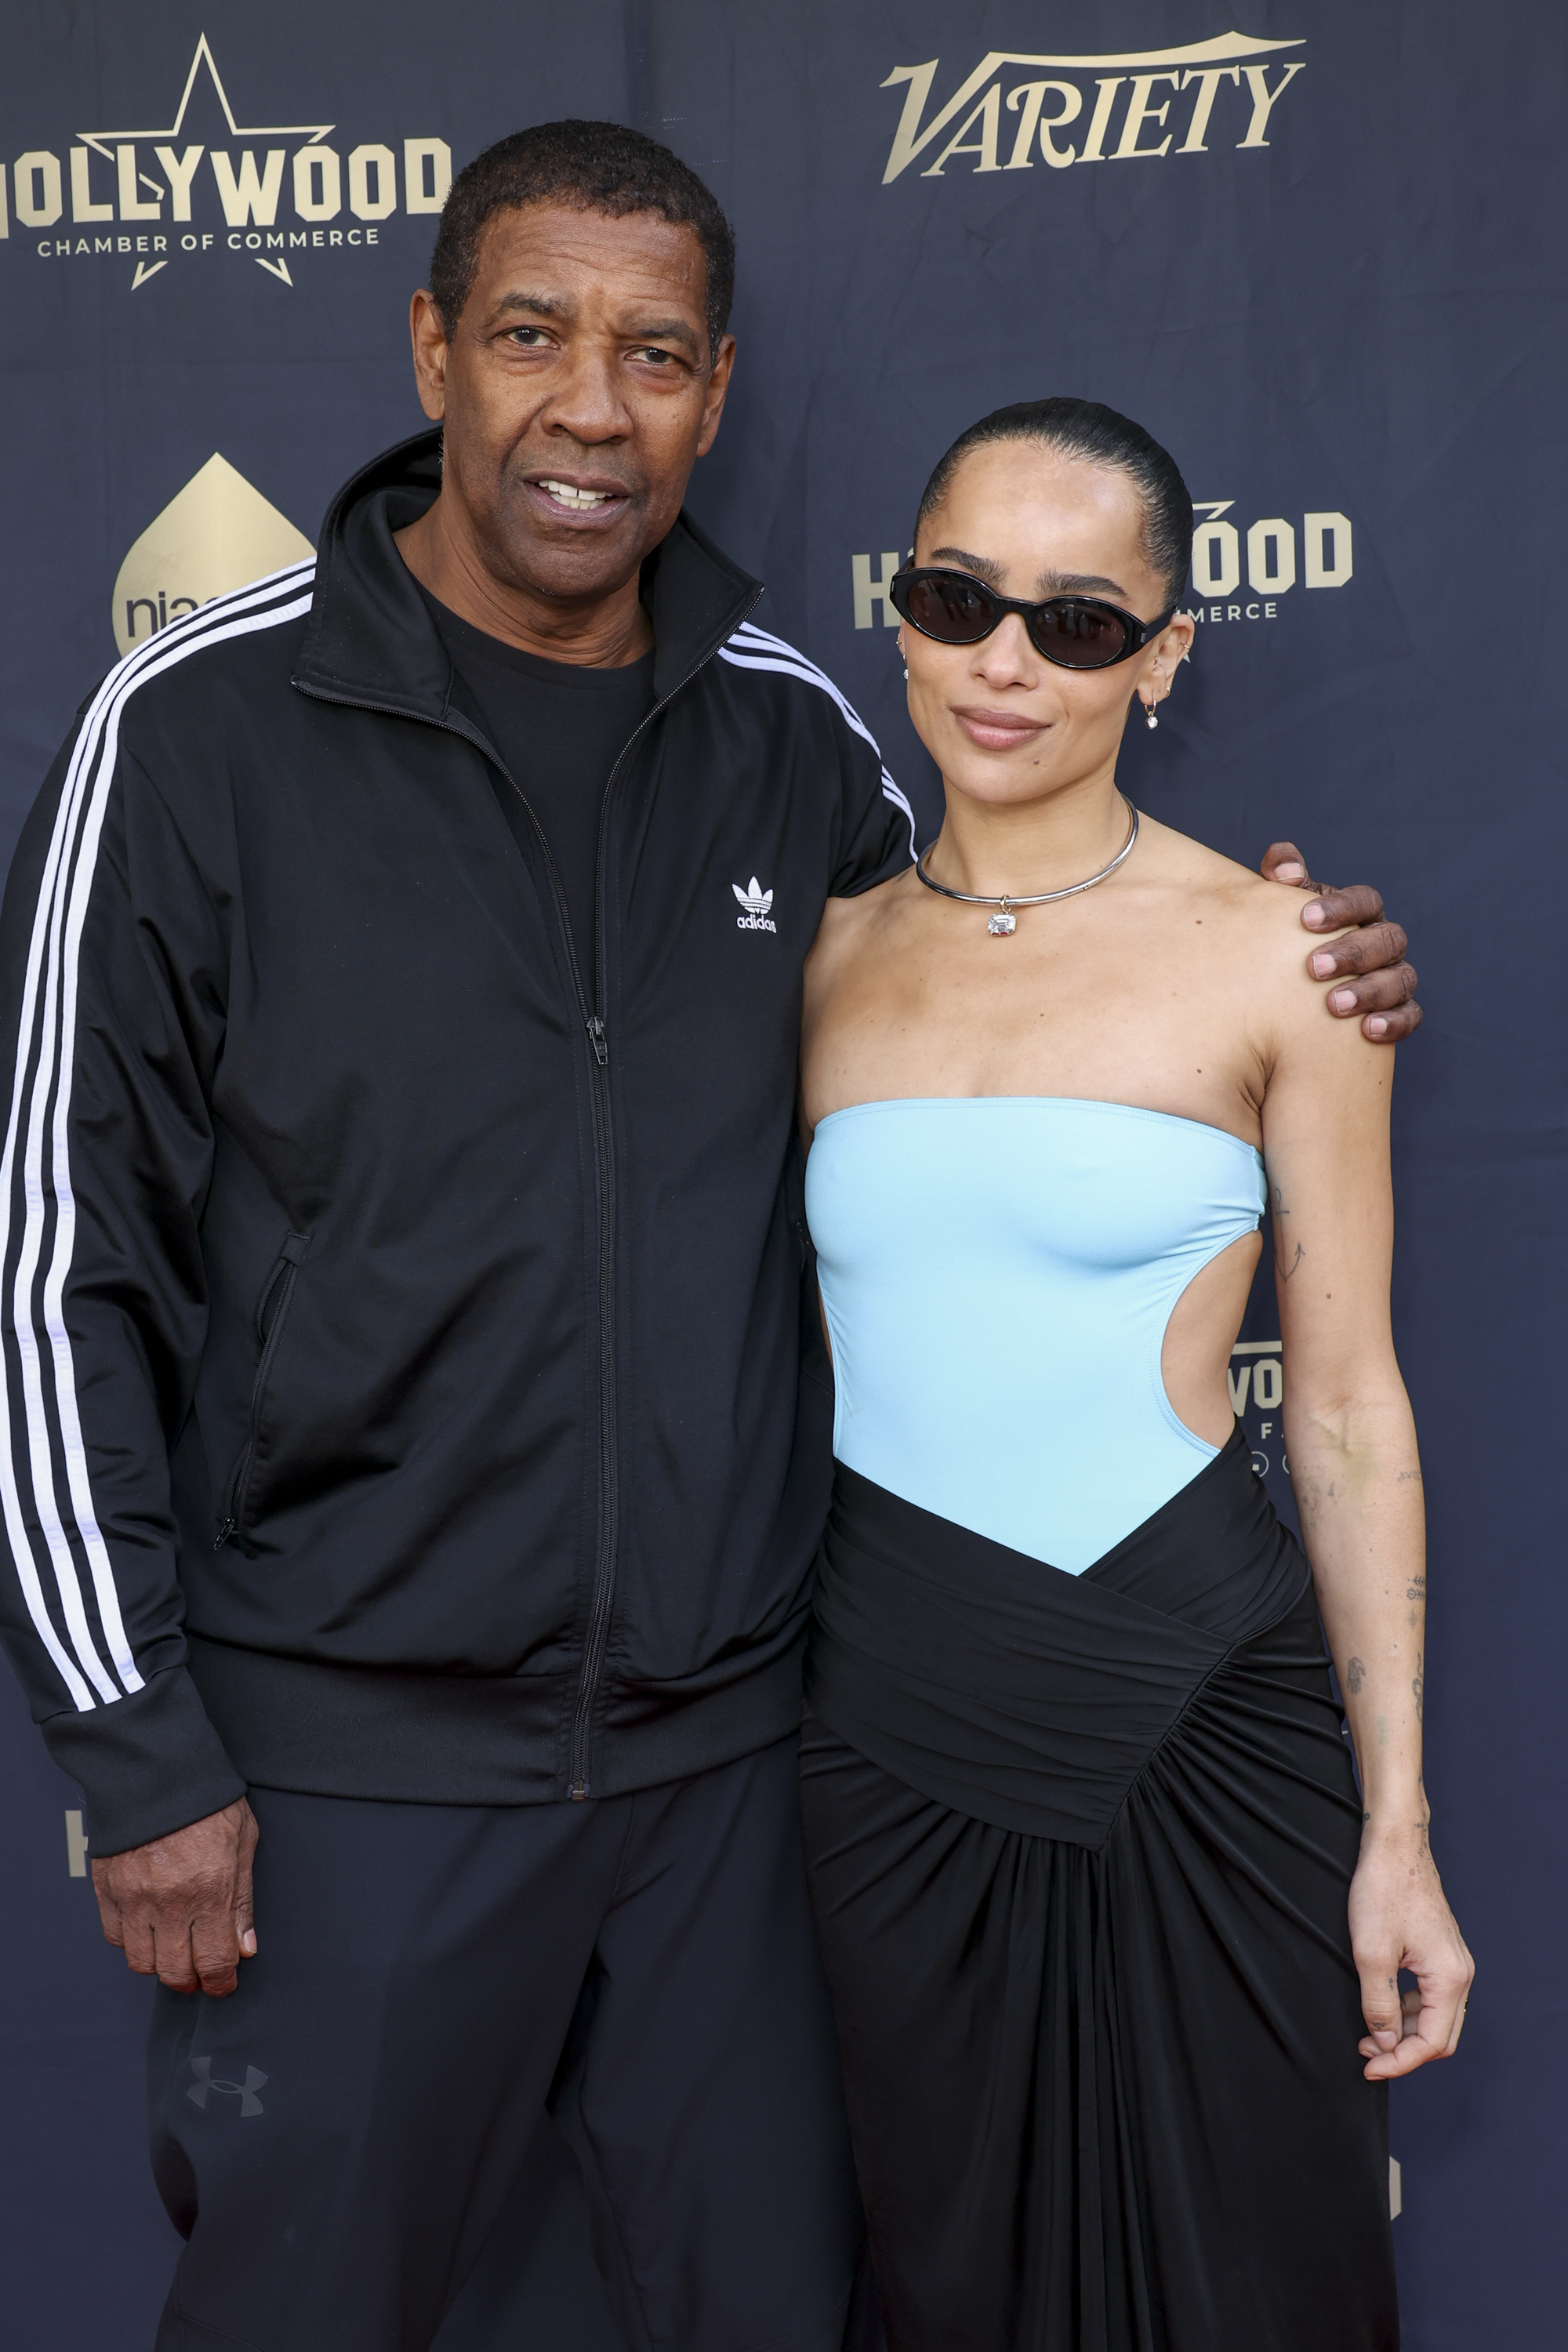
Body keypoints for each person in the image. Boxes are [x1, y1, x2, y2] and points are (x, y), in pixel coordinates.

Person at [0, 117, 1422, 2352]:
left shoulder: (791, 747)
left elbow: (1011, 953)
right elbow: (49, 1269)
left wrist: (1301, 961)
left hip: (742, 1781)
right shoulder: (188, 733)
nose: (592, 407)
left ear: (719, 393)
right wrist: (137, 1746)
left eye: (654, 354)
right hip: (353, 1772)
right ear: (430, 348)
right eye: (535, 334)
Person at [796, 397, 1473, 2352]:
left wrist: (1397, 1825)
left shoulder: (1288, 959)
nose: (1008, 660)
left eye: (1081, 621)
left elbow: (1344, 1408)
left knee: (1260, 2277)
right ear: (899, 616)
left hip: (1204, 1708)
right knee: (950, 2277)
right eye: (958, 599)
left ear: (1166, 652)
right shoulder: (814, 956)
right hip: (884, 1721)